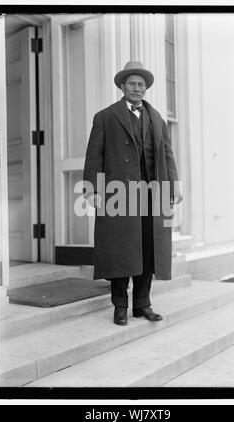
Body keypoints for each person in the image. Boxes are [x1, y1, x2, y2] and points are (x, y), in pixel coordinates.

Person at [83, 61, 182, 326]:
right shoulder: (105, 117)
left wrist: (173, 186)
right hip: (118, 195)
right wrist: (92, 190)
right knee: (120, 250)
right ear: (122, 86)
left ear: (145, 88)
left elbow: (168, 156)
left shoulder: (157, 118)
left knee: (148, 250)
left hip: (152, 194)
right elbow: (94, 156)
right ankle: (119, 306)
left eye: (141, 84)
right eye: (132, 84)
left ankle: (142, 304)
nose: (137, 88)